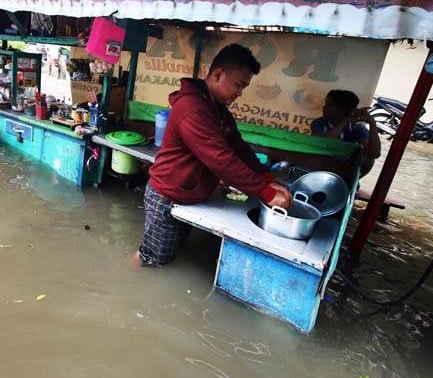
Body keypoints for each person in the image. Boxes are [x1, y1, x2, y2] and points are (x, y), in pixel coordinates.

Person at [135, 44, 292, 268]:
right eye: (238, 85)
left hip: (187, 193)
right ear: (217, 74)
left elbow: (238, 148)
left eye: (244, 87)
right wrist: (265, 191)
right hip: (166, 196)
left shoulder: (216, 109)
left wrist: (268, 178)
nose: (239, 93)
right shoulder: (193, 110)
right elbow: (222, 161)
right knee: (151, 259)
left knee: (168, 256)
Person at [310, 90, 381, 177]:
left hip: (344, 169)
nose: (324, 107)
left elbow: (374, 154)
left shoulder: (356, 128)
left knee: (369, 160)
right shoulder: (319, 123)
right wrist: (345, 122)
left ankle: (351, 183)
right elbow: (322, 144)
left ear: (343, 109)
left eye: (329, 105)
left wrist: (372, 124)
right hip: (319, 167)